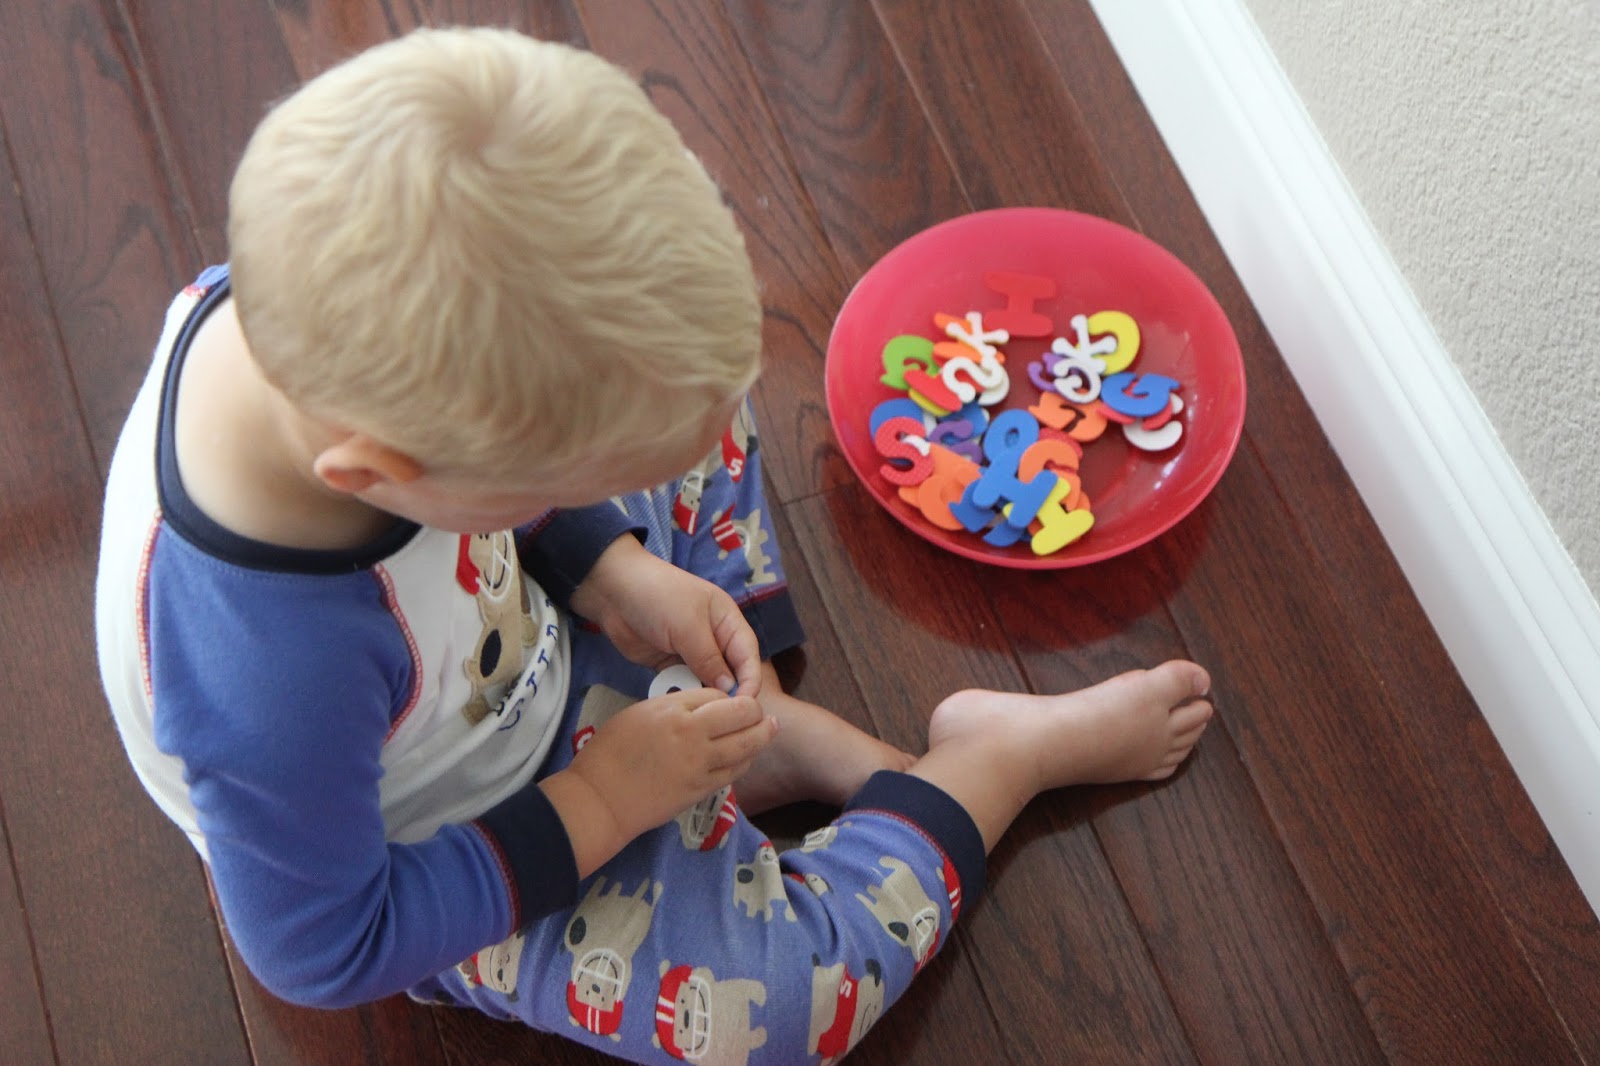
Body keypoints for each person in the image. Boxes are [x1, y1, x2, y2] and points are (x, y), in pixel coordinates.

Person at [94, 26, 1212, 1064]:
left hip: (516, 640)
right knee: (777, 1008)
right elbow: (325, 946)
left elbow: (512, 455)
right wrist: (605, 801)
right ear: (377, 471)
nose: (576, 494)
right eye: (550, 487)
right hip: (468, 827)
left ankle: (747, 718)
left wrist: (612, 567)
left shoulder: (317, 327)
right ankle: (996, 759)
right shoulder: (268, 678)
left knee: (673, 384)